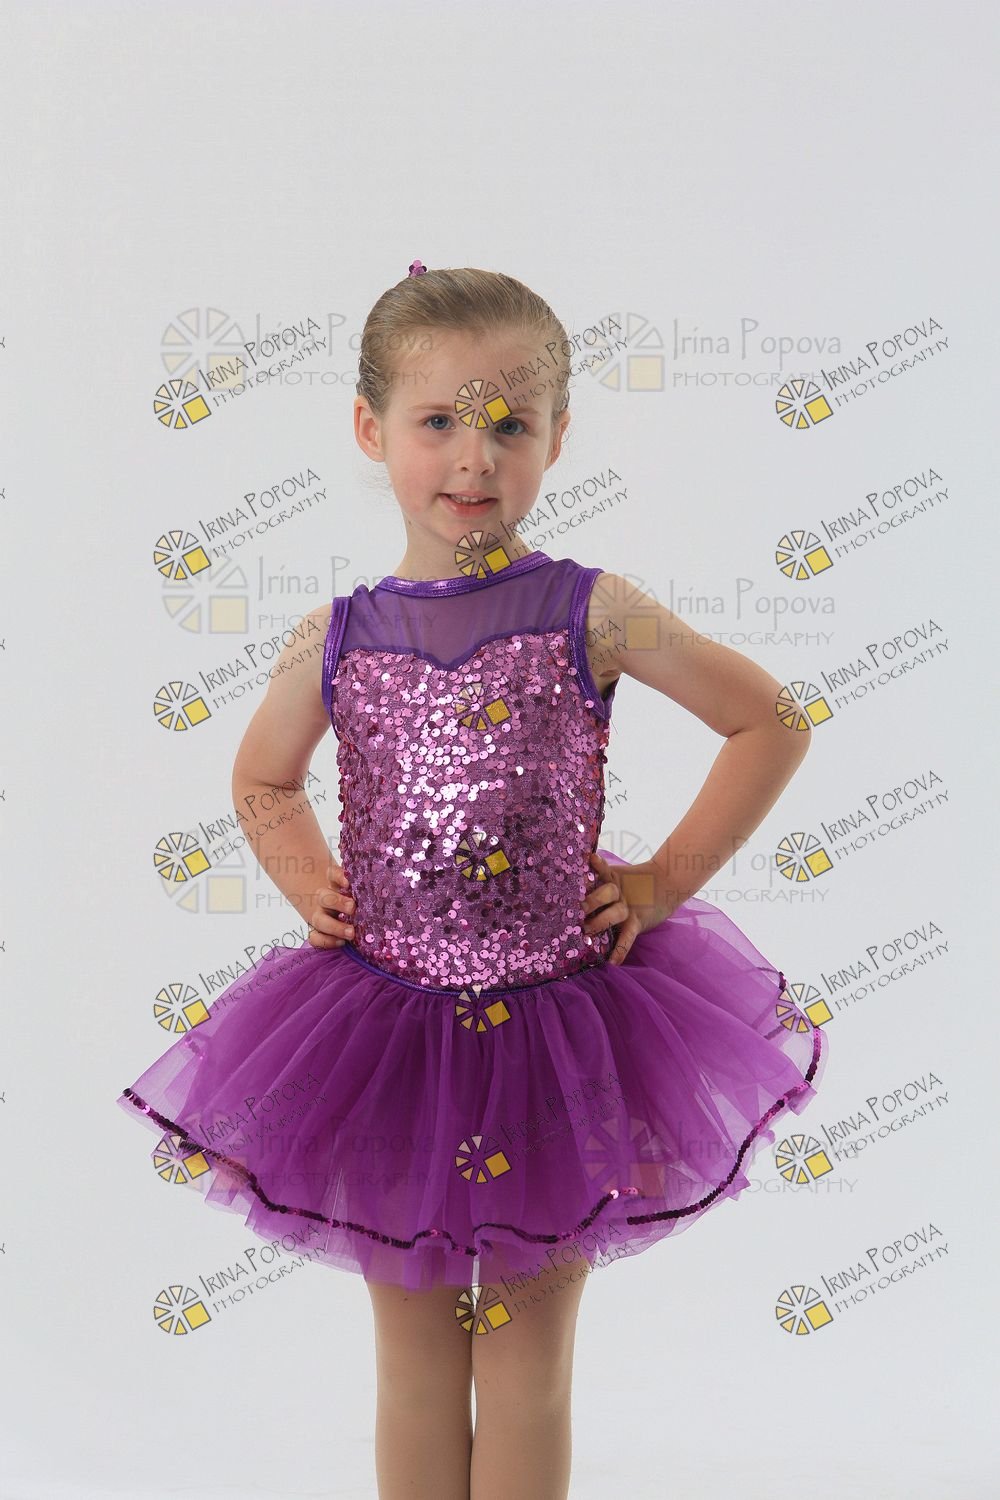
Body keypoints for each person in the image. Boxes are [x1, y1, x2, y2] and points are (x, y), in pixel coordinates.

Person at [118, 264, 829, 1500]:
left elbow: (769, 719)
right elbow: (264, 778)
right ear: (369, 429)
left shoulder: (592, 611)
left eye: (509, 423)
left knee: (526, 1368)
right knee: (413, 1366)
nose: (473, 457)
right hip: (387, 1040)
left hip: (558, 1039)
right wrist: (308, 880)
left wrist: (658, 885)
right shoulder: (336, 635)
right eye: (438, 419)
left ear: (559, 435)